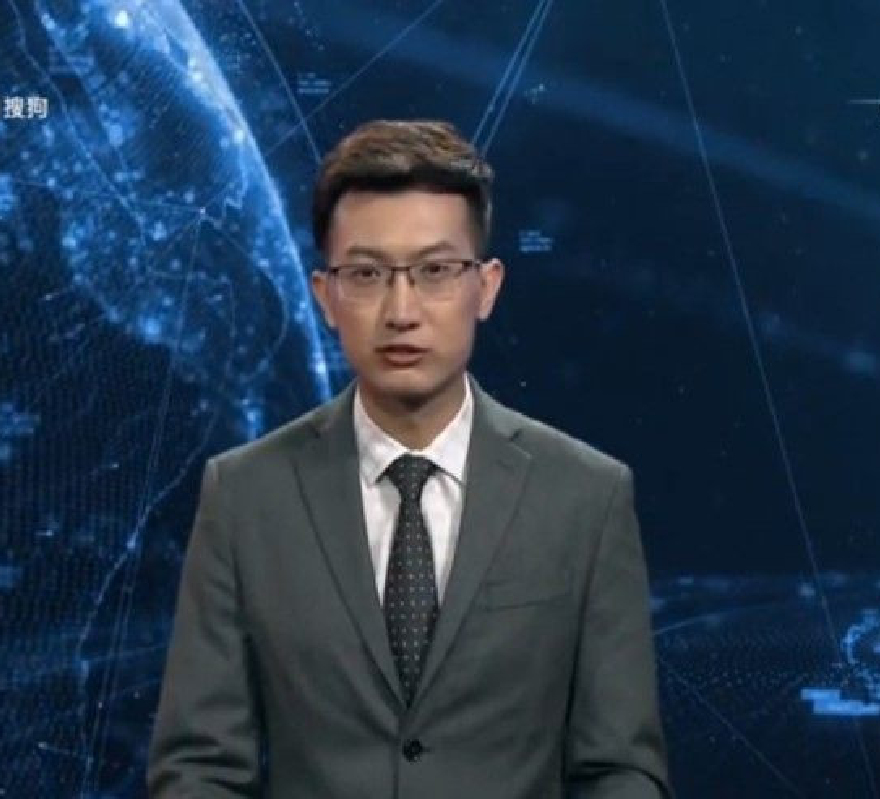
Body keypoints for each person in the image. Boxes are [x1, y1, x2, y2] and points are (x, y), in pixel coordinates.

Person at [147, 119, 673, 798]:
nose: (402, 310)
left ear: (487, 286)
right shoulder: (245, 494)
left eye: (435, 271)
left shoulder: (586, 496)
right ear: (325, 296)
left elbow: (621, 770)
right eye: (367, 274)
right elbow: (200, 767)